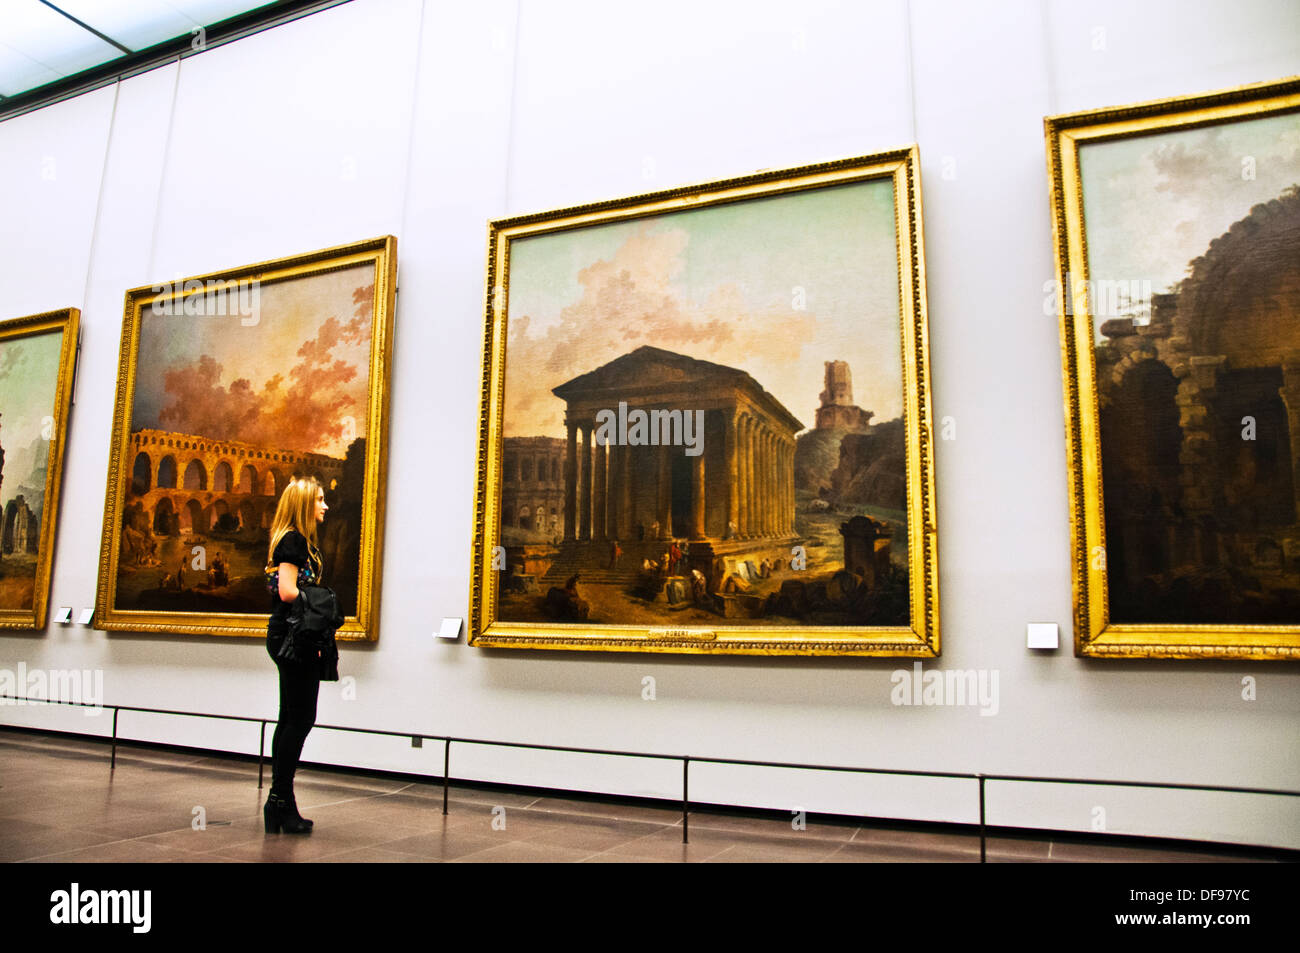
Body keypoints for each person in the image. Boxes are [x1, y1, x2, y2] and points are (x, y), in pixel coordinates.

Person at [263, 476, 329, 834]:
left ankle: (279, 804)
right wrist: (322, 601)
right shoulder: (292, 541)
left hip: (288, 636)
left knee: (290, 718)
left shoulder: (296, 540)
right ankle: (279, 801)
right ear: (305, 504)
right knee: (299, 719)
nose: (324, 505)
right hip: (292, 638)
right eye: (319, 500)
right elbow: (288, 592)